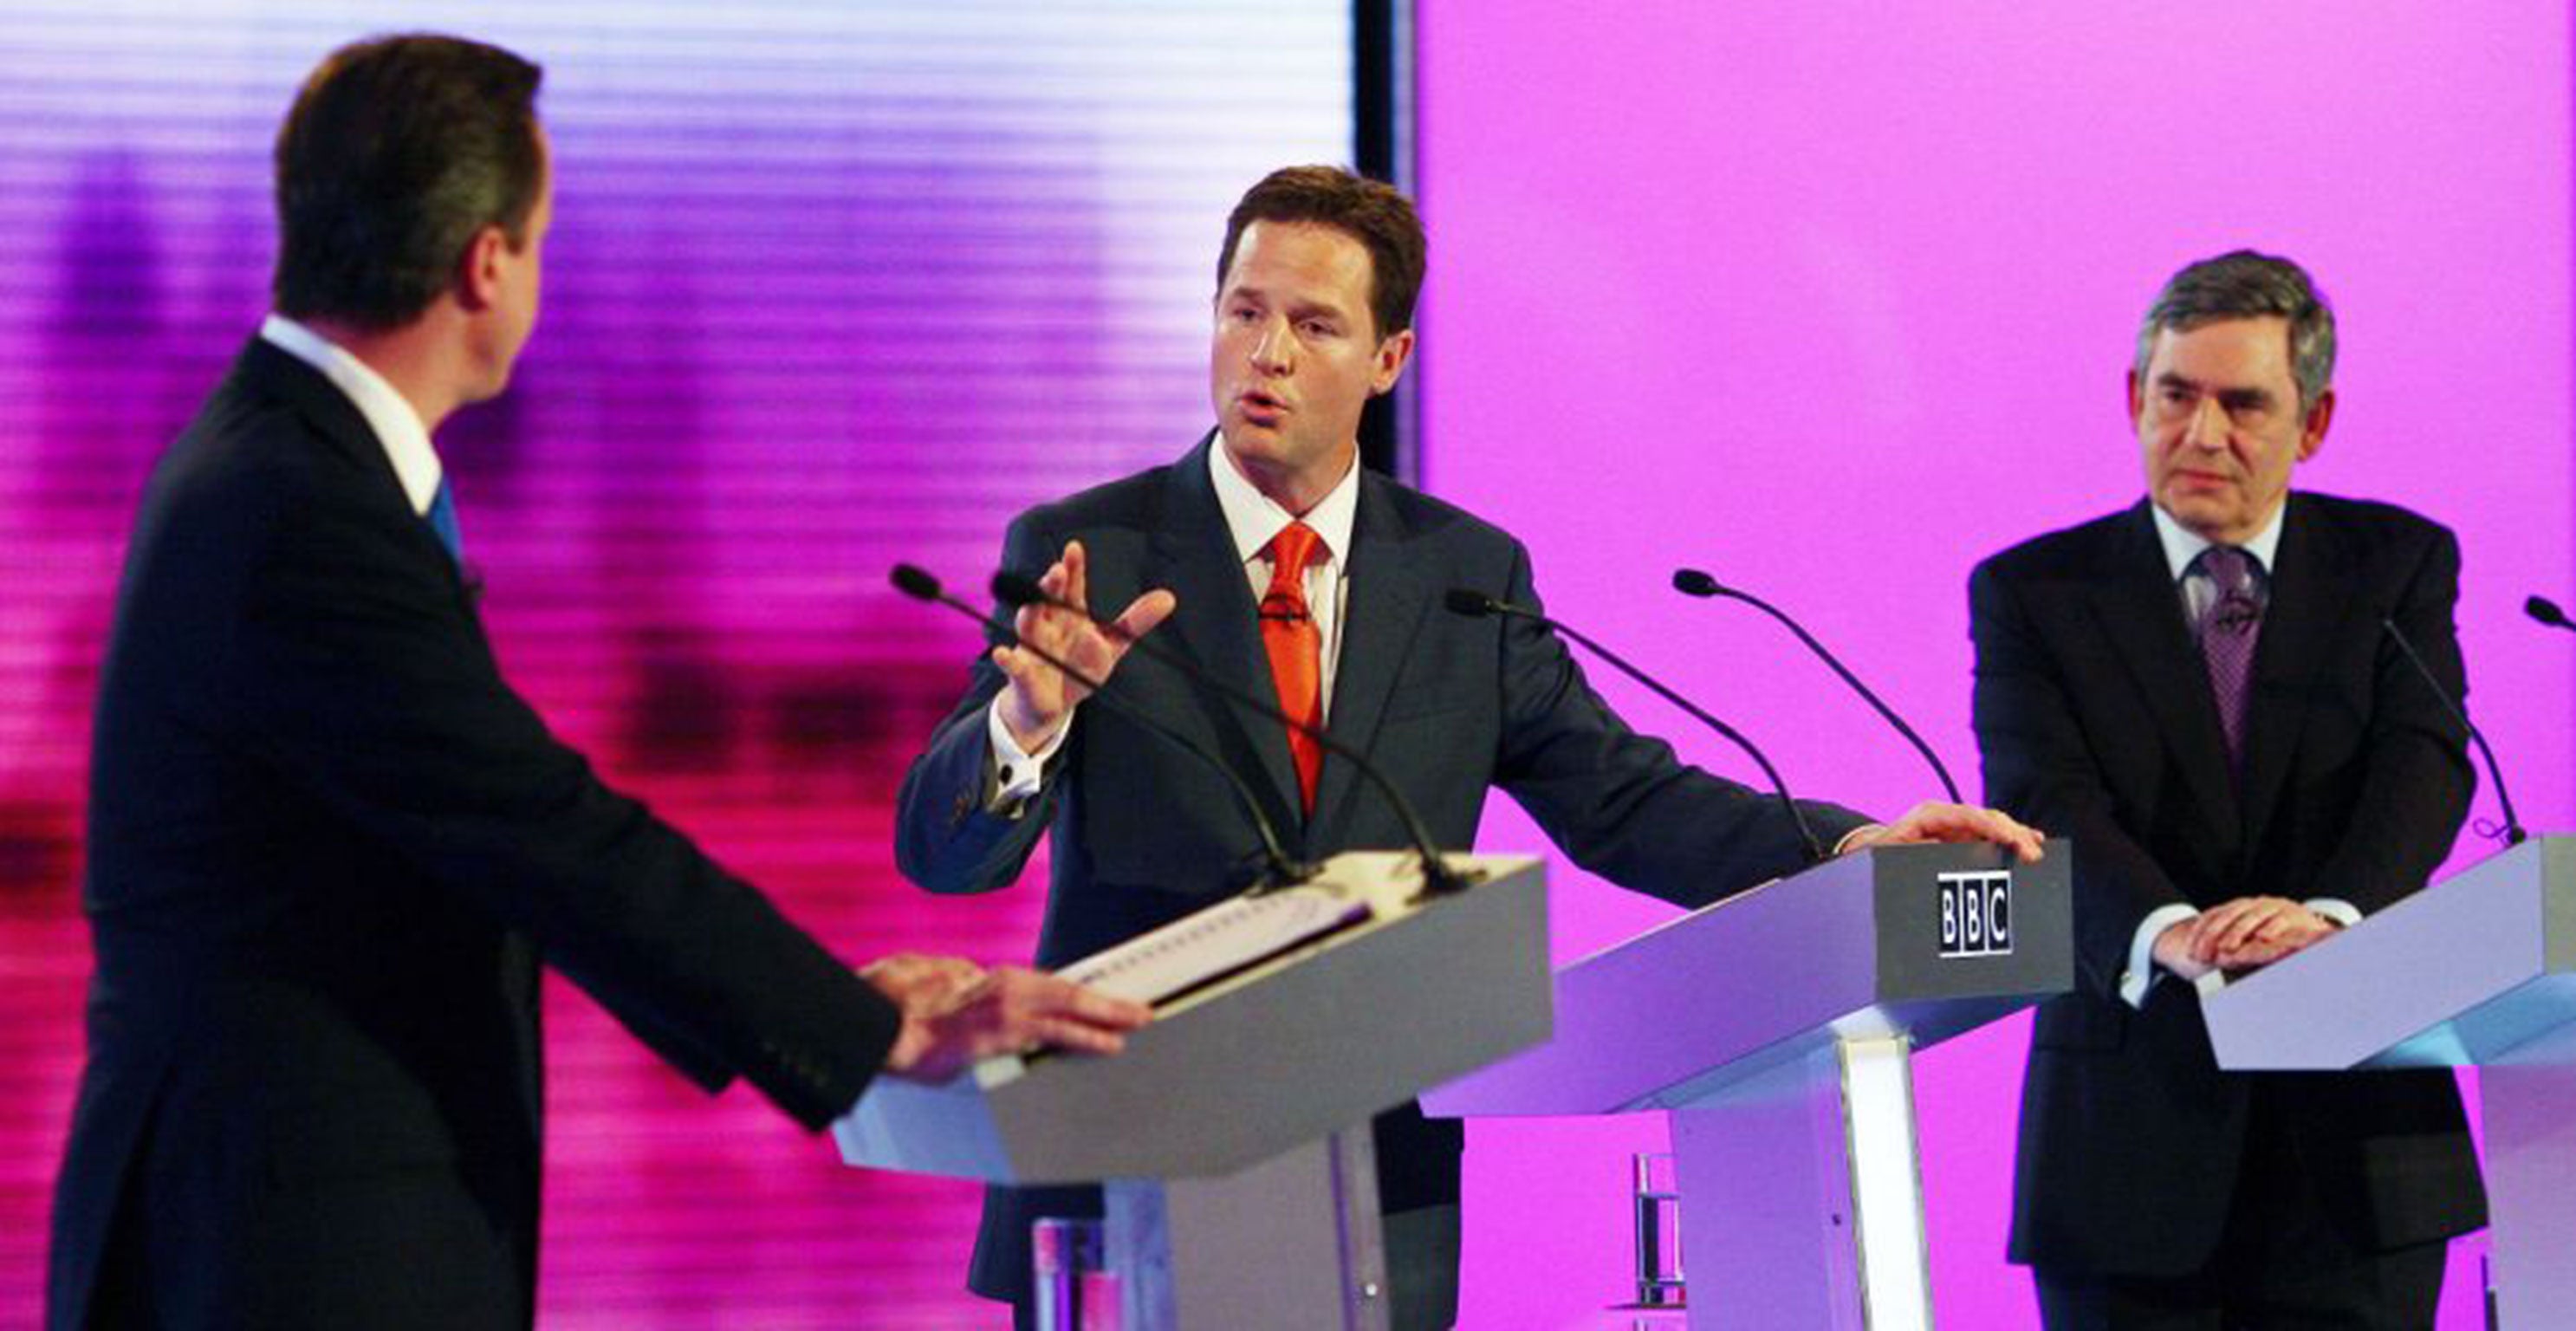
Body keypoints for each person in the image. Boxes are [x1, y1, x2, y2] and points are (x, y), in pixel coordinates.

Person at [45, 34, 1147, 1331]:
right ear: (487, 260)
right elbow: (541, 830)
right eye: (544, 240)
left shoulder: (277, 463)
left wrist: (835, 1011)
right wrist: (854, 1029)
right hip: (279, 1241)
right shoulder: (298, 505)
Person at [895, 164, 2045, 1329]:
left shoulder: (1461, 575)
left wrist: (1850, 844)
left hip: (1371, 1180)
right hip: (1127, 1167)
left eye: (1312, 323)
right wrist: (1024, 727)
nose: (1267, 353)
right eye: (1243, 311)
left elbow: (1623, 798)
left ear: (1387, 359)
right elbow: (942, 857)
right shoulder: (1090, 550)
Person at [1970, 250, 2487, 1328]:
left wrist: (2329, 922)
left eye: (2243, 404)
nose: (2203, 434)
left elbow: (2423, 760)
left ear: (2314, 422)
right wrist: (2170, 931)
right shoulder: (2036, 591)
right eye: (2176, 396)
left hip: (2357, 1151)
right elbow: (2042, 795)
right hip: (2127, 1145)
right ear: (2134, 398)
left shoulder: (2393, 565)